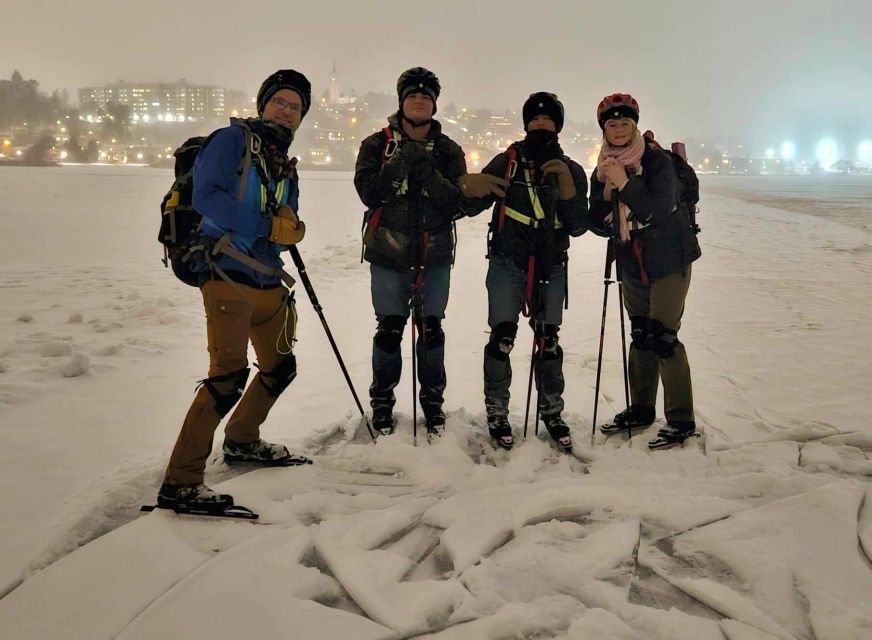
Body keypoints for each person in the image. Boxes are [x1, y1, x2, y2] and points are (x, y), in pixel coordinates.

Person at [157, 69, 314, 512]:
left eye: (295, 107)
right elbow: (207, 196)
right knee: (226, 379)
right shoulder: (229, 142)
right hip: (226, 273)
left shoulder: (285, 165)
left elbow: (285, 222)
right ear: (263, 103)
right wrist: (268, 225)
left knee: (280, 368)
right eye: (280, 101)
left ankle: (243, 440)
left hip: (267, 280)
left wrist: (292, 229)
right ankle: (181, 482)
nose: (286, 110)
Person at [354, 67, 502, 439]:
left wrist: (428, 173)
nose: (419, 101)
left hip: (434, 254)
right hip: (388, 253)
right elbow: (370, 193)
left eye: (426, 97)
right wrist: (403, 160)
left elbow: (456, 203)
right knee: (389, 331)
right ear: (402, 101)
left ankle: (433, 406)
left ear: (434, 104)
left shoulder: (449, 149)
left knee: (432, 332)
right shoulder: (377, 143)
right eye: (412, 96)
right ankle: (382, 406)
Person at [464, 92, 589, 451]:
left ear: (558, 126)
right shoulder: (507, 162)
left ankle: (552, 410)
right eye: (534, 121)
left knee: (548, 340)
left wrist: (566, 188)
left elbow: (579, 226)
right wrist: (466, 185)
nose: (540, 125)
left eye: (548, 121)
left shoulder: (571, 169)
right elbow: (472, 203)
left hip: (551, 263)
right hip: (508, 261)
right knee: (502, 338)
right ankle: (497, 411)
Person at [588, 93, 701, 449]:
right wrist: (607, 194)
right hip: (631, 257)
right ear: (605, 130)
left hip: (669, 258)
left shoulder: (656, 161)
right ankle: (641, 409)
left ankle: (681, 419)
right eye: (612, 124)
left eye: (624, 123)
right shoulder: (603, 164)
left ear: (635, 126)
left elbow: (659, 208)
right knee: (640, 333)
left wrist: (624, 183)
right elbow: (594, 219)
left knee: (663, 335)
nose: (618, 129)